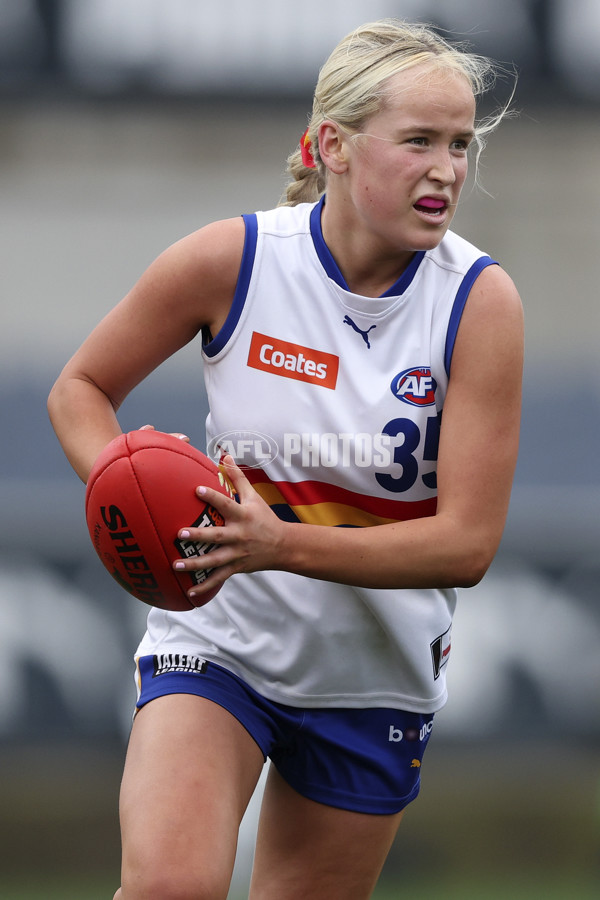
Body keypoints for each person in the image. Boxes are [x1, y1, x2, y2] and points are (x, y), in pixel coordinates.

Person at [48, 18, 523, 900]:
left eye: (461, 144)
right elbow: (79, 389)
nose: (447, 170)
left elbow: (466, 545)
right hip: (219, 642)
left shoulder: (479, 303)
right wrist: (128, 490)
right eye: (418, 140)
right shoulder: (237, 260)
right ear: (334, 146)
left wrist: (277, 544)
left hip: (372, 676)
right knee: (171, 890)